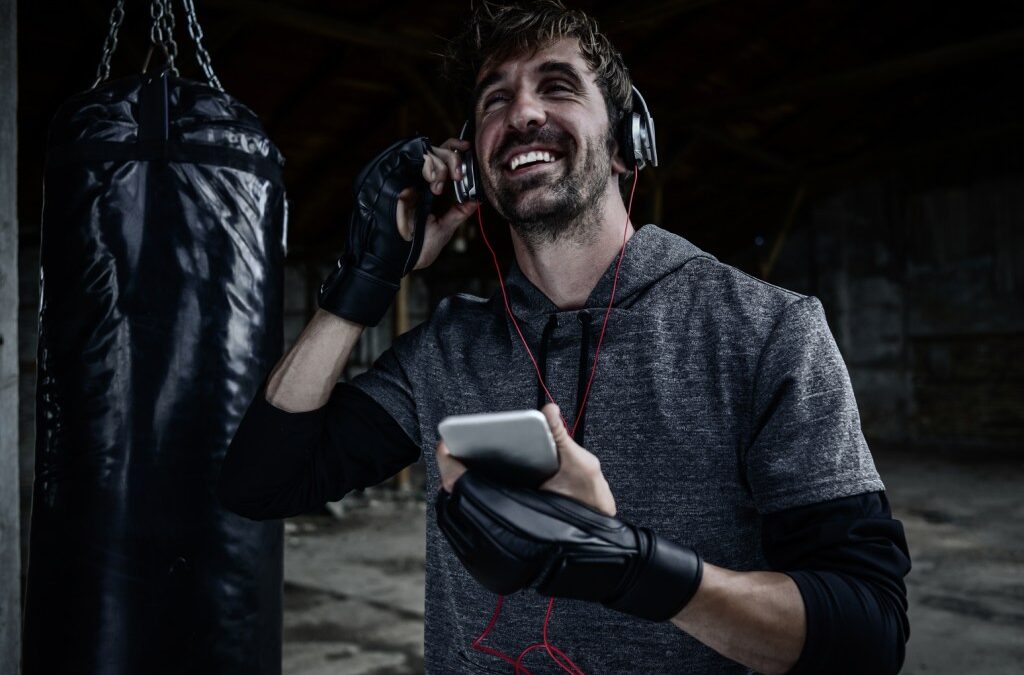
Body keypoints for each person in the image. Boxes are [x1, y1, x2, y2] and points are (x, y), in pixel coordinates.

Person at [217, 2, 911, 673]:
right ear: (471, 168)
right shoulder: (446, 348)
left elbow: (866, 630)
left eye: (557, 86)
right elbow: (262, 480)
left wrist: (633, 566)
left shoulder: (766, 331)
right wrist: (368, 278)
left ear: (626, 142)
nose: (521, 113)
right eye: (494, 100)